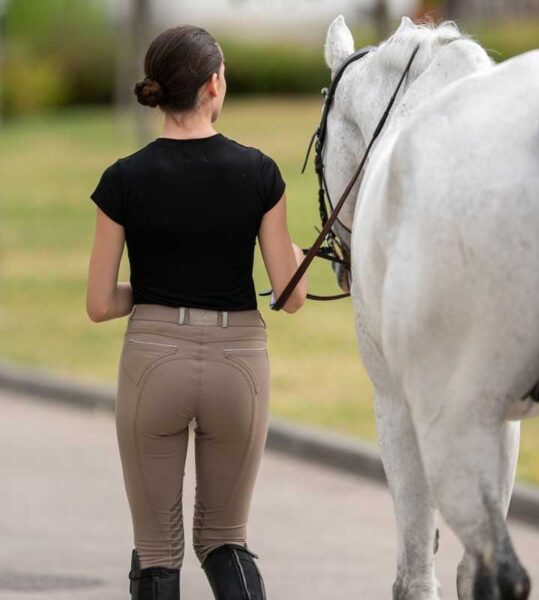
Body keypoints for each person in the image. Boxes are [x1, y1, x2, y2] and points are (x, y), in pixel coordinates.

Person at [85, 24, 308, 600]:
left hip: (153, 362)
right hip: (239, 367)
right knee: (225, 539)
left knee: (158, 551)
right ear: (214, 84)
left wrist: (159, 290)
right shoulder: (260, 173)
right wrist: (300, 261)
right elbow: (290, 295)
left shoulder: (121, 180)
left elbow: (99, 304)